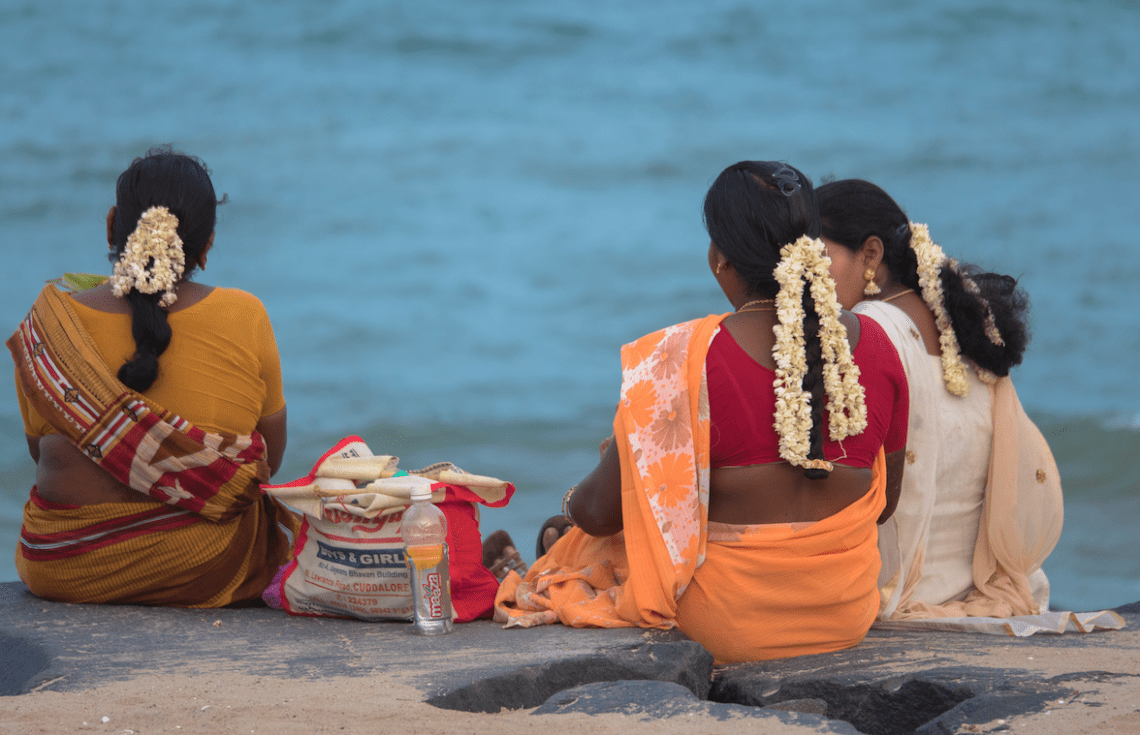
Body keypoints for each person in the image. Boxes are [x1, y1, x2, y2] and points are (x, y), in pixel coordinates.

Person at [494, 161, 909, 663]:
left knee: (579, 546)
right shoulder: (879, 348)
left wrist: (612, 484)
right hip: (842, 615)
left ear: (719, 258)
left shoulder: (680, 359)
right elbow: (884, 504)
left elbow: (597, 514)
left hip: (725, 625)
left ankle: (525, 555)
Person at [8, 146, 298, 607]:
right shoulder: (244, 313)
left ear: (111, 225)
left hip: (64, 563)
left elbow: (39, 448)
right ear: (204, 247)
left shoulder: (50, 326)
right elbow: (270, 459)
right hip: (202, 562)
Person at [817, 179, 1063, 621]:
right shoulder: (965, 329)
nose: (805, 278)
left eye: (818, 259)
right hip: (976, 592)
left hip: (896, 595)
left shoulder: (866, 333)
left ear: (871, 255)